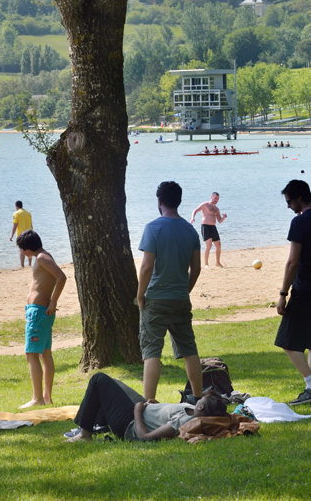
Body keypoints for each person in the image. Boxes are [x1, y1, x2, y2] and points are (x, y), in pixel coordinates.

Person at [136, 181, 203, 402]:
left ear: (159, 201)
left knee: (152, 350)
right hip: (180, 299)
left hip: (155, 298)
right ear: (179, 201)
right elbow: (196, 268)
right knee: (189, 348)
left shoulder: (153, 228)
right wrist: (186, 289)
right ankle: (197, 397)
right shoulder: (190, 230)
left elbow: (146, 267)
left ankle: (149, 402)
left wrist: (139, 295)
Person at [276, 179, 311, 406]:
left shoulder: (299, 223)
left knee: (287, 341)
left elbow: (292, 262)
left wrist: (283, 293)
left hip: (305, 288)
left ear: (299, 197)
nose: (288, 206)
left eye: (289, 201)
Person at [66, 372, 228, 442]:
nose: (197, 399)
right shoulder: (193, 412)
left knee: (98, 379)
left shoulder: (183, 422)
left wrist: (137, 412)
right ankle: (99, 424)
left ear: (200, 408)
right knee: (112, 383)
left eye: (201, 399)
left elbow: (144, 437)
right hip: (144, 409)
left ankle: (85, 434)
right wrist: (158, 407)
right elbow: (167, 414)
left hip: (130, 423)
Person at [16, 230, 67, 409]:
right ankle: (46, 398)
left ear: (27, 249)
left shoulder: (42, 258)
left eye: (21, 249)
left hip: (39, 312)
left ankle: (37, 398)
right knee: (44, 353)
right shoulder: (42, 257)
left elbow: (61, 277)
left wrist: (53, 302)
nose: (21, 253)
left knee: (31, 353)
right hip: (37, 311)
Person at [190, 192, 228, 268]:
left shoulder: (217, 209)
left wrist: (224, 218)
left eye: (217, 198)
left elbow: (219, 221)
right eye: (215, 198)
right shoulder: (205, 205)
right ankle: (206, 264)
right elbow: (195, 210)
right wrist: (192, 218)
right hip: (205, 227)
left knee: (218, 245)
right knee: (209, 245)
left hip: (213, 228)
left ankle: (217, 263)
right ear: (211, 197)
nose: (216, 200)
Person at [9, 201, 34, 267]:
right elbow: (31, 225)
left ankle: (22, 266)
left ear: (16, 206)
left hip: (21, 235)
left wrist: (12, 236)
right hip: (29, 234)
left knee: (21, 250)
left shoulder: (16, 213)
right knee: (29, 250)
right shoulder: (28, 213)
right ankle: (29, 264)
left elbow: (15, 225)